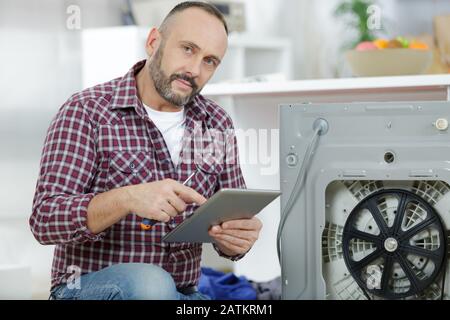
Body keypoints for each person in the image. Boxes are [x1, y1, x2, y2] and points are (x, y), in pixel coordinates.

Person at [29, 1, 262, 300]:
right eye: (187, 49)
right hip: (84, 289)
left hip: (182, 294)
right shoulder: (87, 111)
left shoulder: (216, 123)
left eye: (210, 61)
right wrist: (127, 198)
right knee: (150, 285)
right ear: (154, 42)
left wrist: (236, 238)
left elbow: (230, 220)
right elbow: (45, 219)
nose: (194, 69)